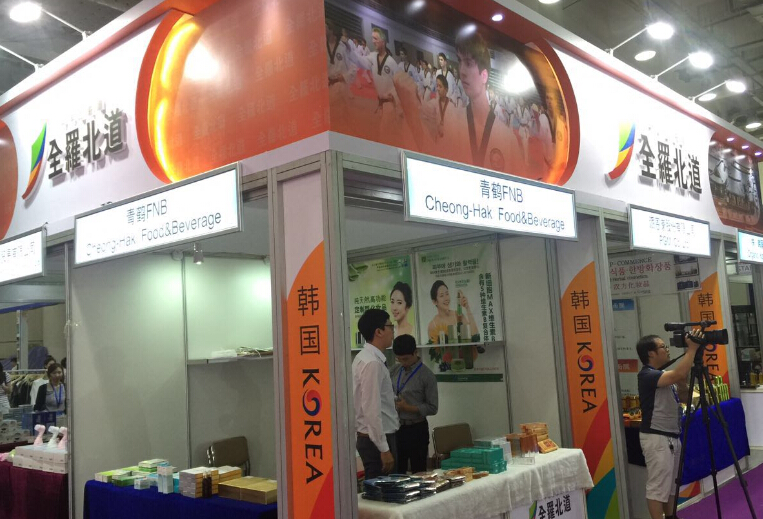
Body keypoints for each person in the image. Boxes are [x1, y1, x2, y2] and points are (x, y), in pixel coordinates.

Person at [637, 330, 702, 519]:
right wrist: (691, 349)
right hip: (657, 437)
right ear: (651, 353)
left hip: (672, 435)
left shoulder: (663, 375)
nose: (667, 349)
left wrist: (682, 384)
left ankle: (672, 516)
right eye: (663, 347)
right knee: (658, 487)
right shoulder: (647, 375)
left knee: (672, 485)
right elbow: (678, 373)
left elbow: (683, 397)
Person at [353, 308, 399, 479]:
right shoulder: (372, 363)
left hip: (374, 438)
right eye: (390, 326)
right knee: (382, 492)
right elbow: (371, 409)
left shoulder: (365, 357)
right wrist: (384, 449)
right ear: (379, 332)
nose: (393, 331)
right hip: (376, 441)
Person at [389, 334, 438, 474]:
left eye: (406, 359)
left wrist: (408, 408)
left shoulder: (427, 375)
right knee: (397, 471)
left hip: (417, 428)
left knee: (419, 472)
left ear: (415, 352)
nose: (402, 362)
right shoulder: (394, 371)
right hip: (397, 428)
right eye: (399, 359)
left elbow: (433, 407)